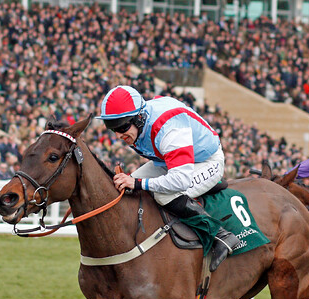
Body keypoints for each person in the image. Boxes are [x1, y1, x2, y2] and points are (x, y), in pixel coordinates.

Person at [98, 85, 240, 271]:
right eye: (112, 128)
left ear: (140, 118)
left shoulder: (168, 128)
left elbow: (180, 180)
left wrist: (139, 183)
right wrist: (134, 182)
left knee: (163, 194)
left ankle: (221, 235)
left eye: (123, 127)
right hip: (169, 160)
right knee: (126, 185)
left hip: (206, 162)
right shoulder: (140, 121)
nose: (118, 135)